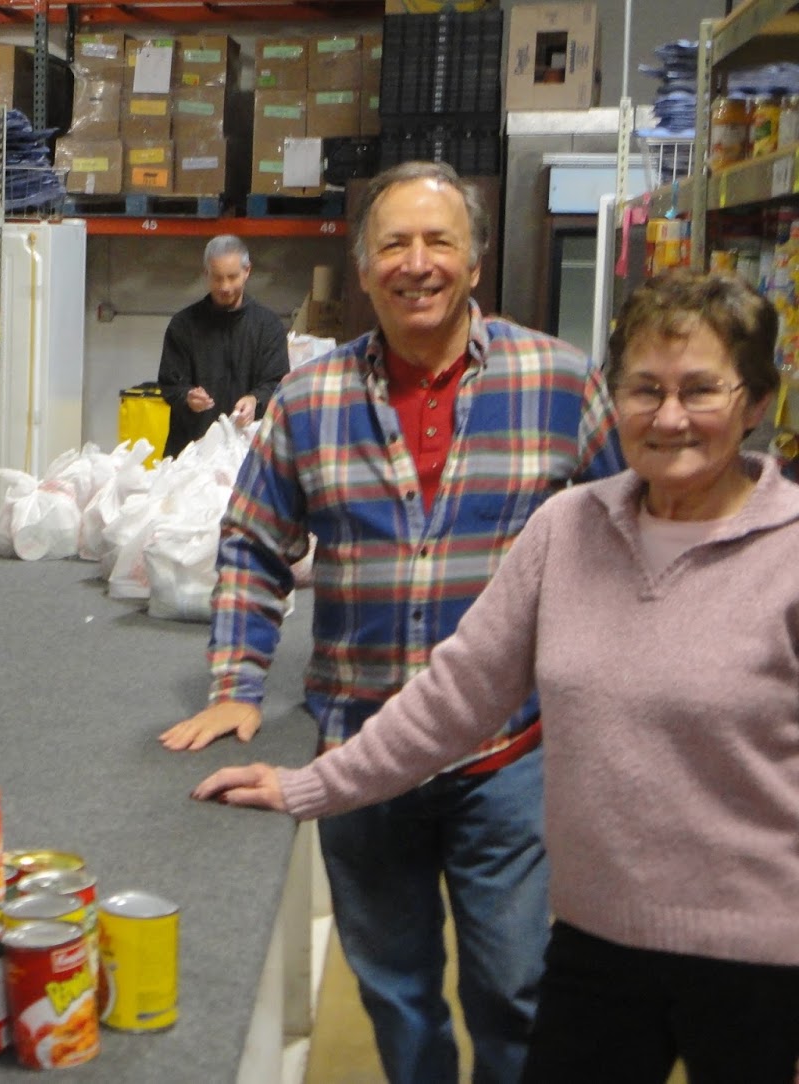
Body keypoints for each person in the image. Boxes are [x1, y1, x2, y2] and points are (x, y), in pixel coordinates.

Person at [193, 268, 799, 1082]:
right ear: (613, 401)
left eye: (702, 390)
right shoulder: (569, 532)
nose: (671, 416)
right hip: (597, 946)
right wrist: (309, 787)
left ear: (757, 403)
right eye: (645, 389)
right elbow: (455, 694)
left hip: (761, 963)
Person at [160, 161, 625, 1084]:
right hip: (361, 751)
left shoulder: (563, 385)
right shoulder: (311, 400)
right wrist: (235, 685)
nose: (418, 264)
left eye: (439, 241)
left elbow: (624, 540)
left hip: (508, 754)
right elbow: (254, 546)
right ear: (365, 270)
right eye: (394, 246)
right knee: (396, 990)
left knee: (518, 988)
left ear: (475, 262)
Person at [156, 234, 289, 459]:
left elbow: (278, 384)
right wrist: (187, 397)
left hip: (248, 454)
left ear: (247, 271)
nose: (225, 287)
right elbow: (169, 385)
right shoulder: (183, 325)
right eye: (217, 278)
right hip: (190, 454)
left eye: (232, 277)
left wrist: (255, 400)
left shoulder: (268, 326)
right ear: (205, 274)